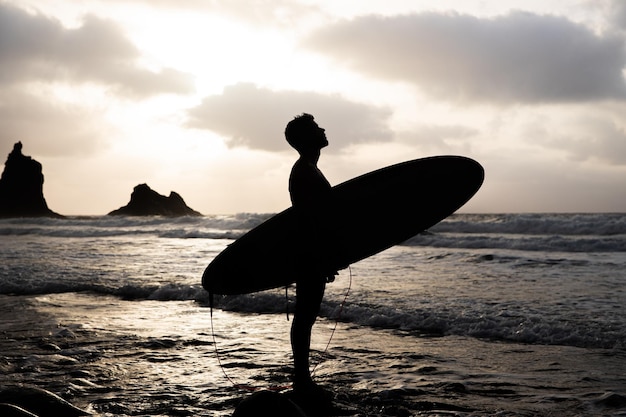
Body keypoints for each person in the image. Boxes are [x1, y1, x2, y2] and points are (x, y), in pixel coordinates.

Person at [285, 113, 336, 403]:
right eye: (316, 128)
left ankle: (302, 379)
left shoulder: (309, 168)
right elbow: (308, 220)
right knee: (305, 316)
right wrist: (321, 257)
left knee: (306, 315)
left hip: (310, 252)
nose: (323, 129)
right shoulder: (304, 171)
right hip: (307, 253)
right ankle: (302, 381)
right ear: (306, 138)